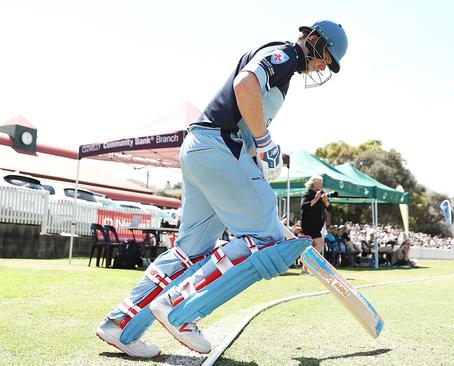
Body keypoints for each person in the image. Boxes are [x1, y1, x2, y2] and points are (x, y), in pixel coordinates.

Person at [95, 20, 348, 358]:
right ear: (314, 40)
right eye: (324, 58)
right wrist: (265, 141)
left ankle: (120, 325)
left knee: (191, 250)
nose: (321, 67)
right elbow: (245, 86)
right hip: (219, 146)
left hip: (202, 147)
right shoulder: (286, 53)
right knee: (264, 240)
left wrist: (270, 212)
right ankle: (180, 307)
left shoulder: (283, 62)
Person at [299, 175, 331, 274]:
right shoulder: (308, 193)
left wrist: (326, 202)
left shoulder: (321, 194)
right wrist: (316, 199)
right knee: (320, 243)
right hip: (309, 224)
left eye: (322, 183)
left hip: (316, 225)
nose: (321, 185)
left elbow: (330, 209)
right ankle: (309, 264)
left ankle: (305, 269)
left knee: (312, 247)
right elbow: (304, 206)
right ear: (313, 183)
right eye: (319, 183)